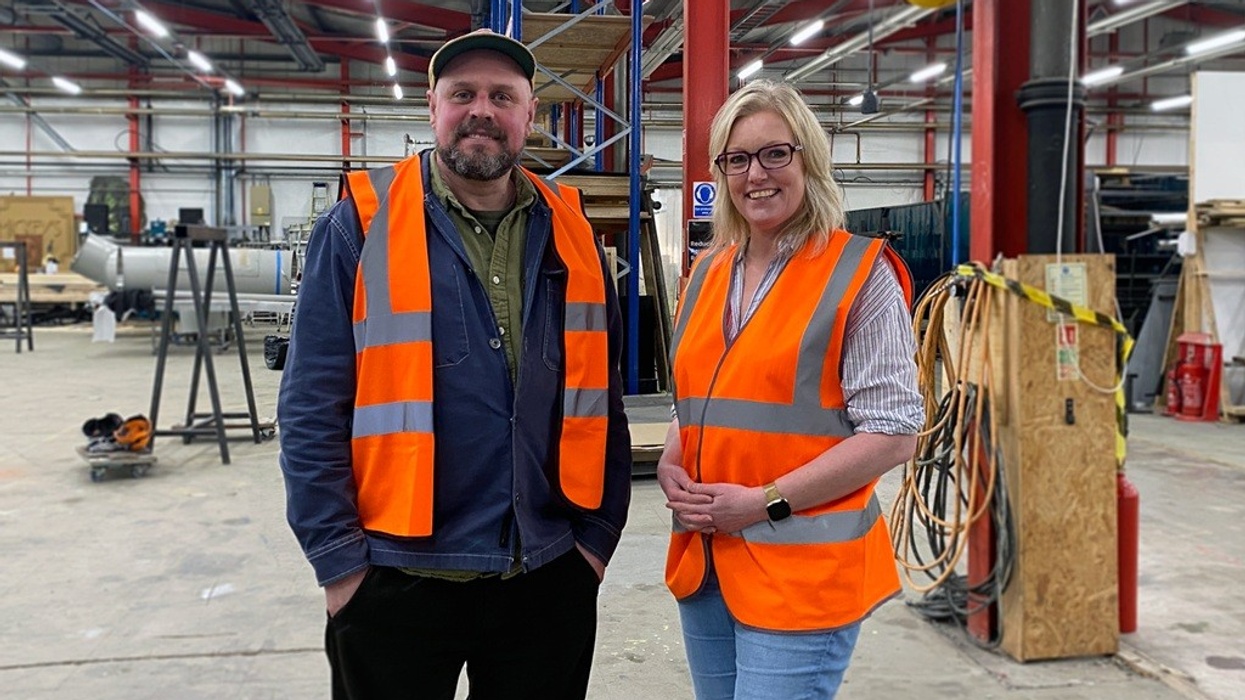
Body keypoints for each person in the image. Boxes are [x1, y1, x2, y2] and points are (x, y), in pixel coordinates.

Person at [278, 29, 632, 700]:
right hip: (394, 577)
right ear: (432, 107)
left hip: (548, 573)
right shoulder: (359, 224)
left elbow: (602, 398)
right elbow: (310, 406)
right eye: (463, 94)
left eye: (503, 96)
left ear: (530, 114)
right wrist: (339, 565)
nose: (481, 111)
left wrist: (596, 538)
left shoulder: (572, 230)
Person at [658, 79, 923, 699]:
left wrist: (762, 502)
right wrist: (672, 460)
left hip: (800, 570)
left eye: (775, 153)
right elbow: (698, 398)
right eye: (737, 159)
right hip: (707, 559)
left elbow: (893, 434)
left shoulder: (858, 273)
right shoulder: (706, 272)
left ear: (809, 159)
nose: (756, 174)